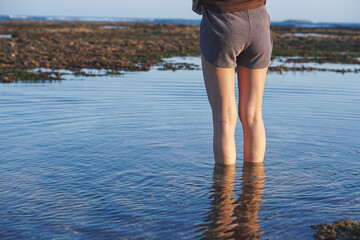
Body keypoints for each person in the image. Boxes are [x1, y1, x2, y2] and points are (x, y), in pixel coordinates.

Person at [193, 0, 273, 165]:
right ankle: (254, 187)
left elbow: (196, 6)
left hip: (221, 21)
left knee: (224, 119)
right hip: (258, 20)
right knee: (254, 117)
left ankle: (223, 187)